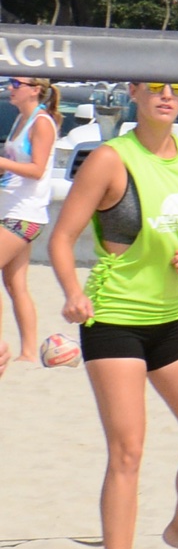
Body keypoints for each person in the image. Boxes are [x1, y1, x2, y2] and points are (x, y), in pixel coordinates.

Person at [47, 80, 178, 549]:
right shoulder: (110, 159)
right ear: (134, 93)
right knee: (127, 452)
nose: (166, 96)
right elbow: (62, 237)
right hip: (113, 319)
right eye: (155, 88)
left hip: (170, 318)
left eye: (176, 89)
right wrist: (73, 293)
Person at [0, 76, 61, 374]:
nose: (10, 87)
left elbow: (37, 169)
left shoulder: (42, 123)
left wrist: (2, 164)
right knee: (15, 284)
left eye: (16, 83)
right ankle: (28, 353)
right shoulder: (21, 120)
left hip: (25, 215)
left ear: (35, 89)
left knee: (14, 284)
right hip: (10, 210)